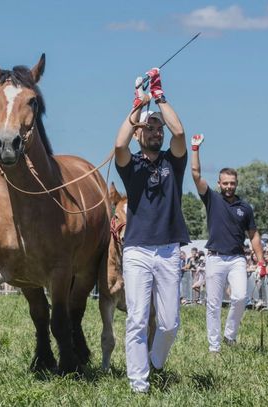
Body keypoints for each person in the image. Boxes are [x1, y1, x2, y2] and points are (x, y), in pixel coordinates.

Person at [114, 68, 190, 393]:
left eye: (158, 127)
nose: (155, 131)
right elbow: (118, 144)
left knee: (170, 322)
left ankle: (155, 362)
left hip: (169, 249)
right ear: (138, 134)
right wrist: (136, 111)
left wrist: (158, 96)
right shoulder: (130, 165)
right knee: (137, 319)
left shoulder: (173, 162)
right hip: (137, 251)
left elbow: (181, 132)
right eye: (150, 127)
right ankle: (138, 384)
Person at [190, 133, 264, 353]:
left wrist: (261, 262)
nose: (229, 186)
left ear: (237, 183)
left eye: (232, 183)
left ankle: (230, 336)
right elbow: (195, 175)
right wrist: (195, 148)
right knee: (213, 305)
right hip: (214, 258)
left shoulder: (245, 207)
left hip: (236, 259)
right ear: (219, 184)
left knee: (240, 297)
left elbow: (254, 235)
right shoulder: (212, 198)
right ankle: (214, 347)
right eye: (225, 183)